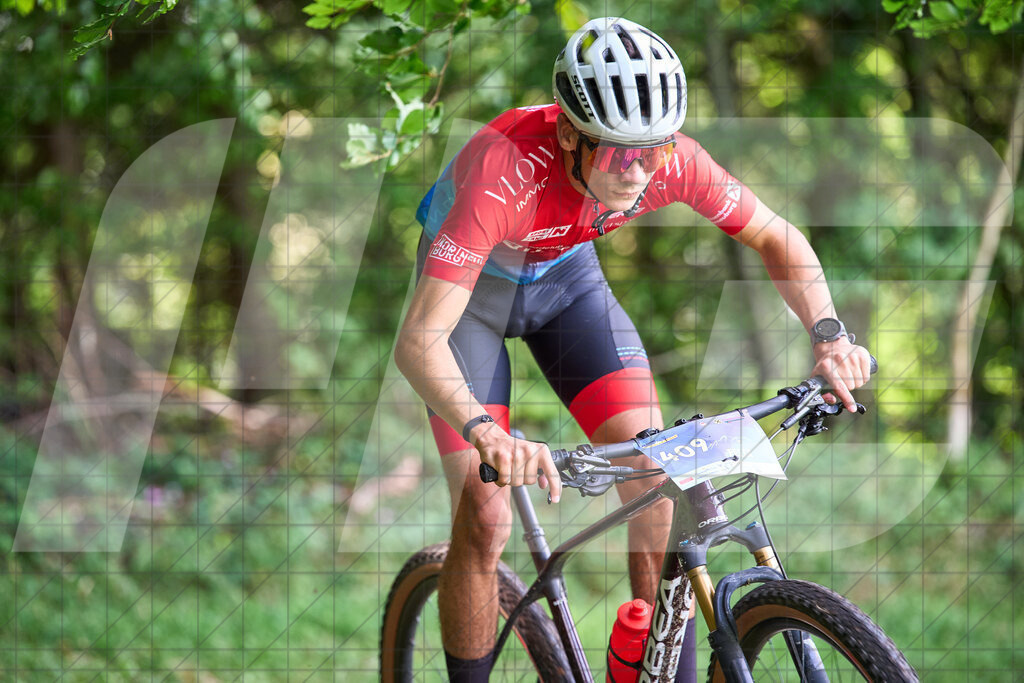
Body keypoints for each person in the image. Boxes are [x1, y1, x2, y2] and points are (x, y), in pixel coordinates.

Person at [394, 16, 873, 682]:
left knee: (654, 470)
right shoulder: (506, 171)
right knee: (485, 510)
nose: (642, 171)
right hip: (471, 298)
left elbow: (774, 235)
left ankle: (653, 668)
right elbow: (419, 341)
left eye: (656, 150)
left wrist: (830, 335)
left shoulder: (667, 162)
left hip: (566, 284)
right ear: (569, 134)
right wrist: (486, 433)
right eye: (622, 154)